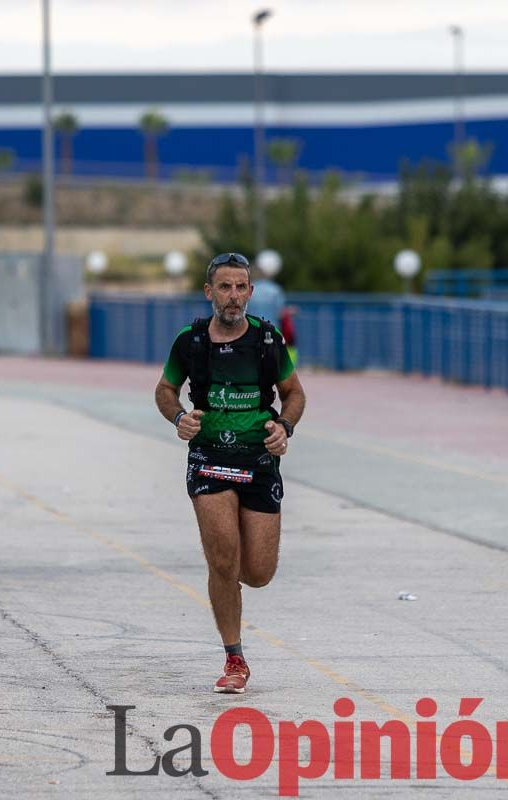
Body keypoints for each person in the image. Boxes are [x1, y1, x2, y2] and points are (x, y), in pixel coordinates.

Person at [154, 252, 307, 694]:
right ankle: (234, 657)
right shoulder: (191, 341)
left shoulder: (267, 341)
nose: (233, 296)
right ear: (209, 292)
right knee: (223, 560)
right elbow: (165, 389)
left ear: (251, 293)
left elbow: (294, 393)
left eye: (241, 287)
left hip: (258, 460)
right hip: (208, 460)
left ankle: (230, 579)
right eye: (225, 287)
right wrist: (178, 417)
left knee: (256, 572)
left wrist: (285, 427)